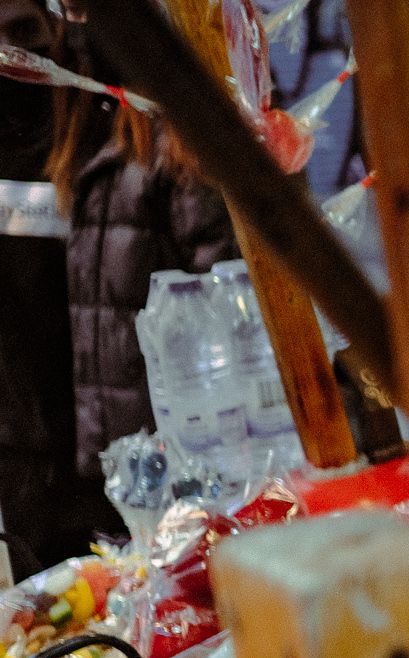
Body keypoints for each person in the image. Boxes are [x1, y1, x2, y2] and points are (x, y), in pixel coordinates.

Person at [46, 18, 238, 489]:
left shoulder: (176, 145)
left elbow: (225, 304)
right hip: (134, 461)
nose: (73, 22)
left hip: (190, 460)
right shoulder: (93, 129)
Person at [0, 0, 113, 573]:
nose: (12, 57)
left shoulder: (98, 117)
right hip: (25, 472)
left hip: (115, 453)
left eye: (23, 32)